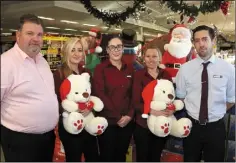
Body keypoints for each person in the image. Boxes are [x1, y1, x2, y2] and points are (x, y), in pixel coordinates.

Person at [0, 14, 58, 161]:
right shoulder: (6, 63)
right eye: (30, 33)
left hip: (47, 138)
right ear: (18, 36)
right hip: (20, 141)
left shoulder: (42, 61)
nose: (36, 39)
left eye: (39, 34)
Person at [175, 25, 235, 162]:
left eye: (204, 39)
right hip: (191, 127)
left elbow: (231, 99)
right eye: (197, 40)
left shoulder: (228, 69)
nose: (201, 44)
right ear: (193, 44)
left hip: (216, 128)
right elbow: (181, 97)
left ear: (213, 41)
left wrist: (214, 112)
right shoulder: (185, 69)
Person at [53, 37, 100, 162]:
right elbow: (55, 101)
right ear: (66, 51)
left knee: (93, 156)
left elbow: (93, 94)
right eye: (73, 50)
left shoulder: (86, 72)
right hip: (70, 125)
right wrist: (74, 110)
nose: (76, 53)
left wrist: (90, 107)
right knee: (74, 158)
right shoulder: (59, 74)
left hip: (88, 123)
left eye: (79, 50)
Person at [93, 36, 134, 162]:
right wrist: (118, 117)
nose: (116, 50)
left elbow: (134, 94)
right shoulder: (100, 69)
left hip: (126, 123)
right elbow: (100, 94)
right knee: (107, 156)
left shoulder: (130, 68)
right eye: (112, 47)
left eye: (119, 47)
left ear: (123, 49)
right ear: (107, 50)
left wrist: (129, 115)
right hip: (107, 122)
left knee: (121, 156)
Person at [132, 47, 173, 162]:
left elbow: (171, 97)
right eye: (148, 56)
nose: (151, 59)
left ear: (159, 58)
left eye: (154, 56)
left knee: (156, 156)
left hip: (161, 123)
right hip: (143, 125)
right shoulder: (138, 75)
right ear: (143, 58)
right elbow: (135, 102)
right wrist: (151, 111)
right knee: (142, 157)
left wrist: (172, 109)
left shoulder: (166, 75)